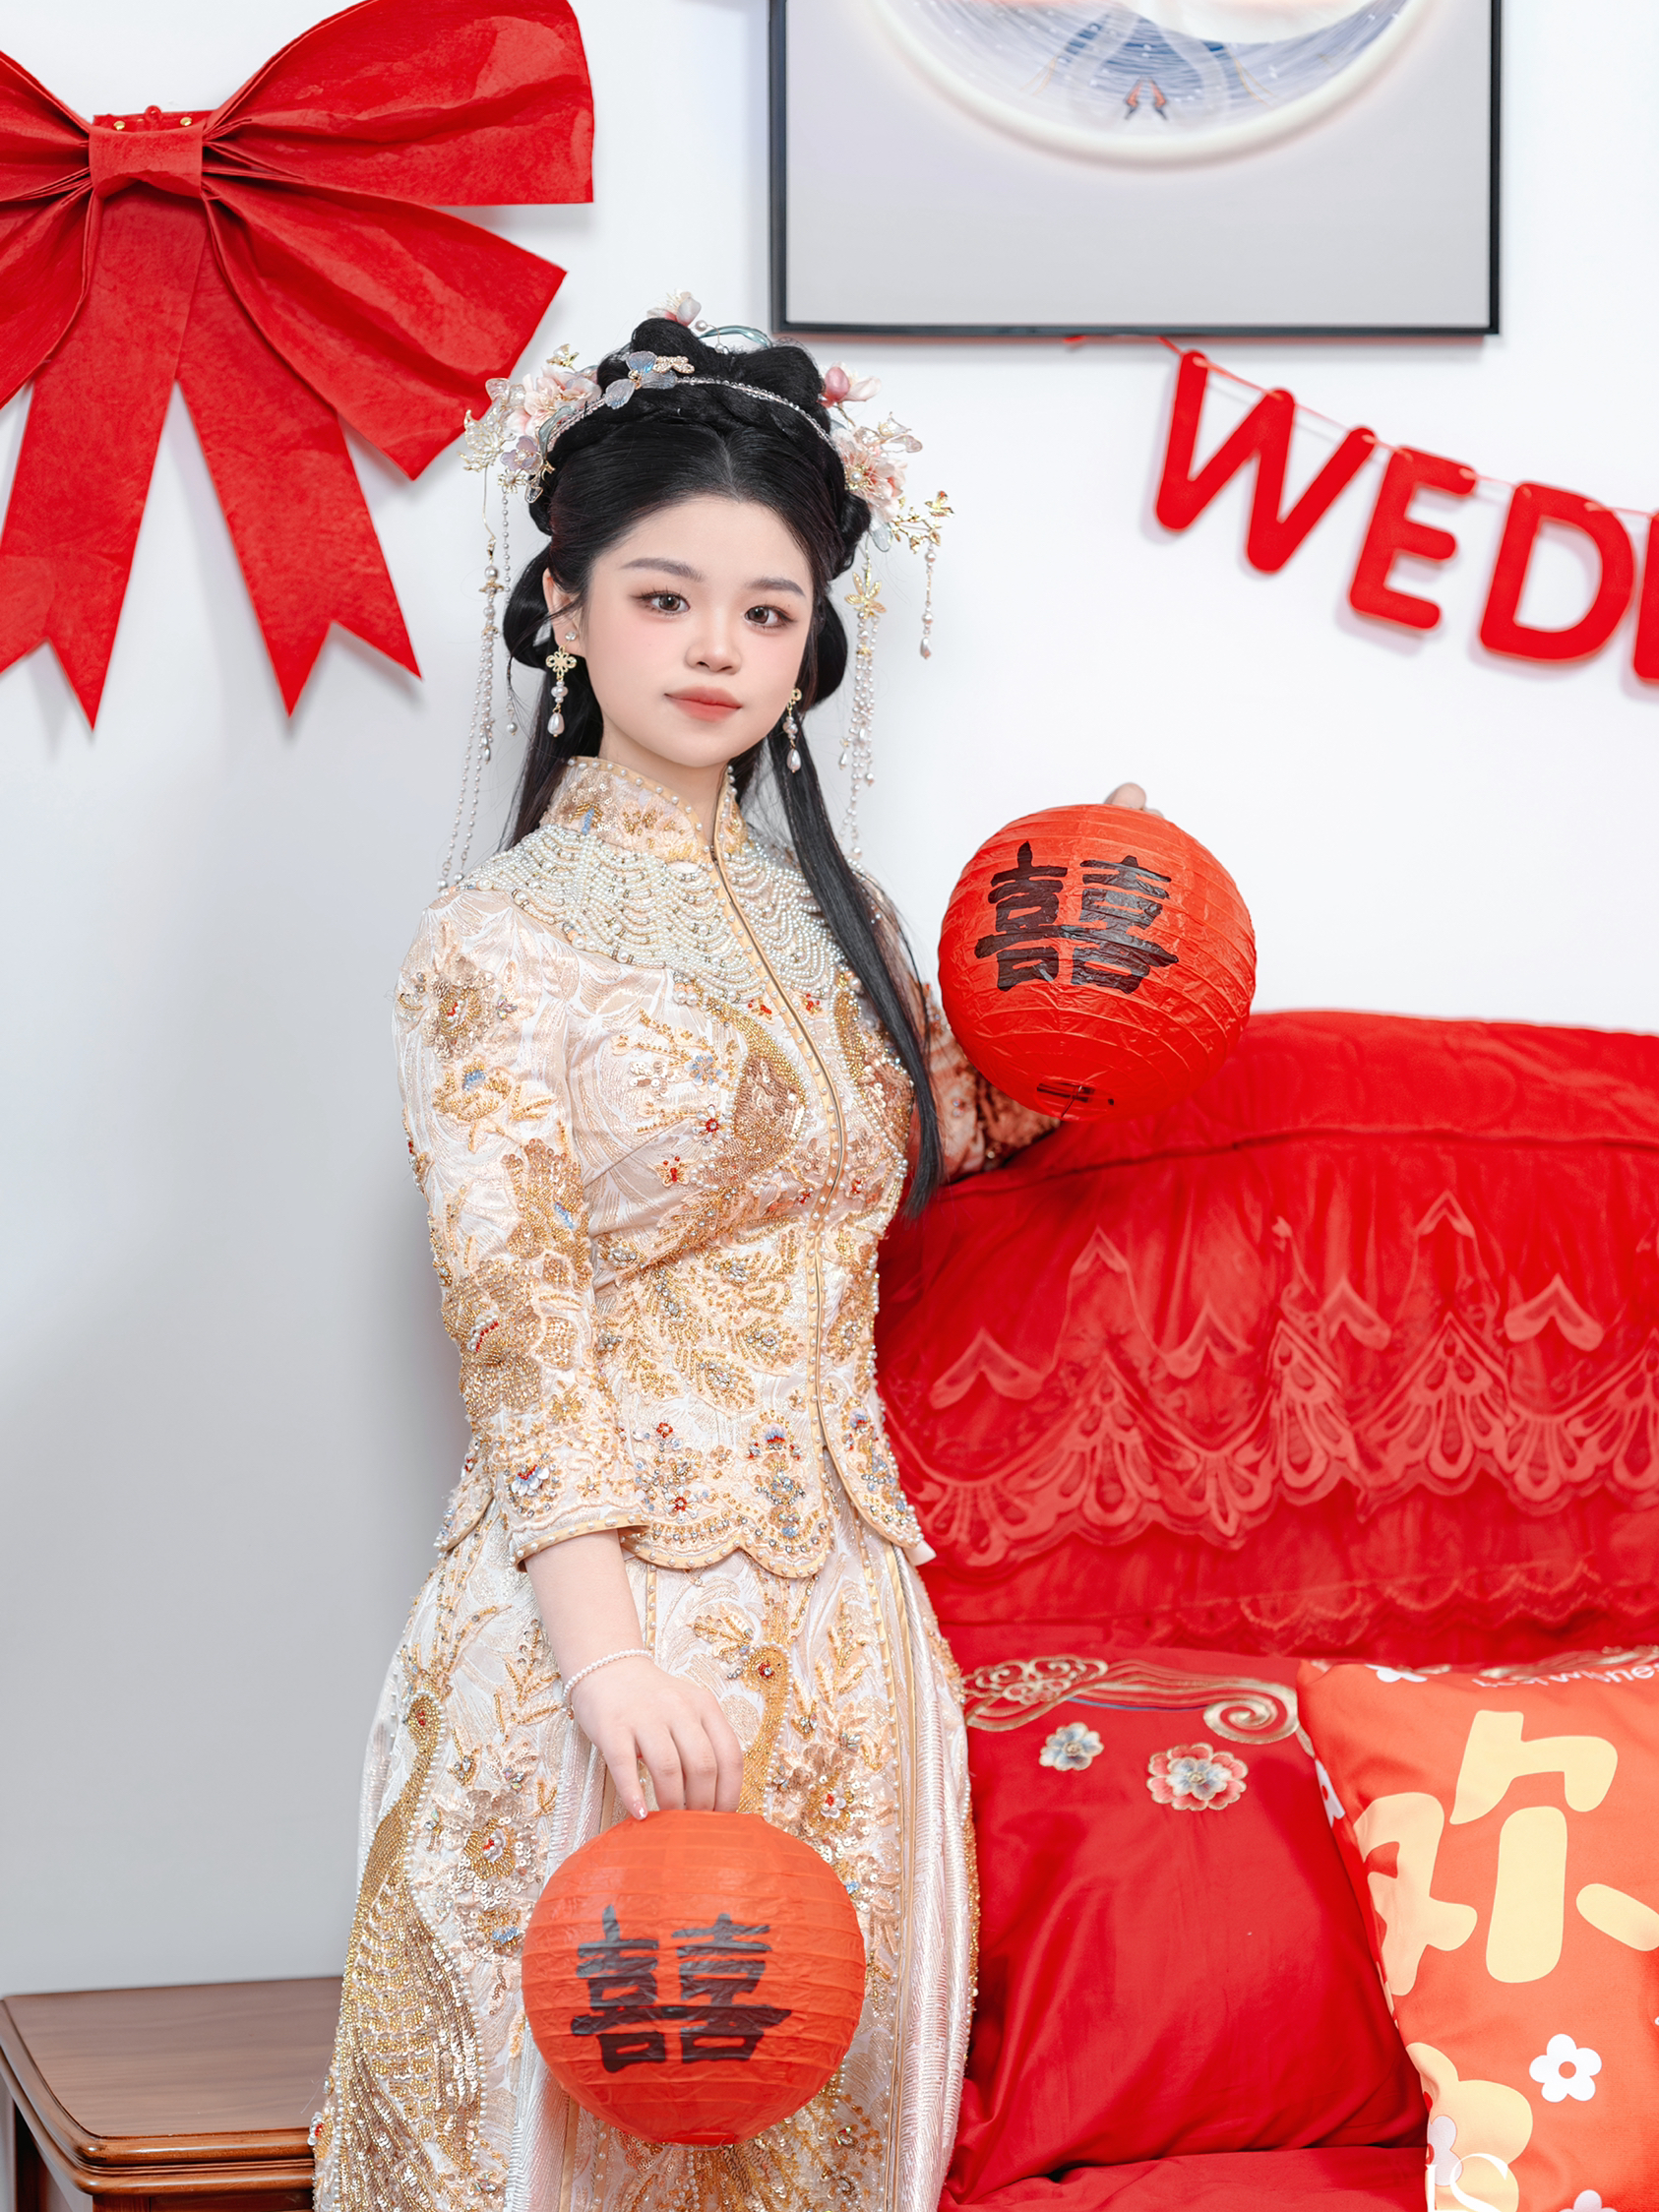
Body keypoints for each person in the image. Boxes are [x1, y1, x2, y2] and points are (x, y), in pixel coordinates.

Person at [312, 311, 1065, 2212]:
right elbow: (517, 1324)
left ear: (811, 645)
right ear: (566, 610)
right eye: (665, 599)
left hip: (850, 1618)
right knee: (580, 2143)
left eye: (765, 611)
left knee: (824, 2139)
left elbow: (949, 1132)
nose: (716, 648)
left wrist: (1084, 951)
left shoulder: (843, 916)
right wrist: (605, 1661)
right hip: (615, 1618)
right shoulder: (497, 941)